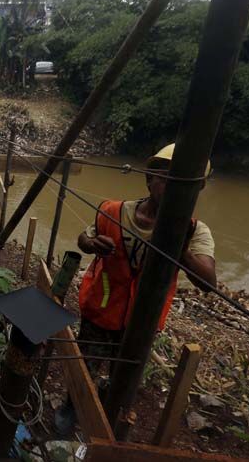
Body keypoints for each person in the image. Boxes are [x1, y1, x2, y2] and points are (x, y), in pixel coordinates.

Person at [54, 143, 217, 434]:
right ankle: (71, 407)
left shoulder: (195, 231)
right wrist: (92, 244)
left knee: (125, 378)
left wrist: (180, 250)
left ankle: (108, 422)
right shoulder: (113, 211)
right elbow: (84, 238)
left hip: (142, 324)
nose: (172, 188)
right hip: (100, 311)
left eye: (184, 184)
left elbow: (207, 282)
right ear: (150, 179)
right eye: (165, 177)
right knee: (86, 366)